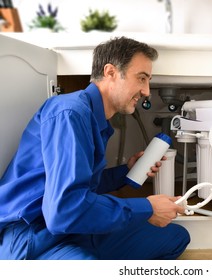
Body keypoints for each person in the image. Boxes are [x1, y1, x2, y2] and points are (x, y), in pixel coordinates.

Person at [0, 37, 190, 260]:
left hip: (71, 228)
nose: (147, 91)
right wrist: (147, 209)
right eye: (141, 78)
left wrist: (125, 173)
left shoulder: (95, 119)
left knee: (175, 237)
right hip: (31, 236)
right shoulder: (70, 113)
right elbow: (64, 209)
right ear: (110, 72)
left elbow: (80, 188)